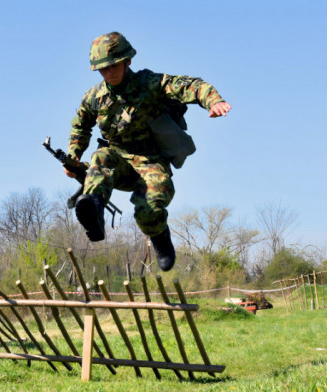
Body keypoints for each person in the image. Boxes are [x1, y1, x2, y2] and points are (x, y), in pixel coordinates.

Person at [65, 32, 231, 271]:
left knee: (148, 212)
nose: (108, 73)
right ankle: (95, 212)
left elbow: (190, 85)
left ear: (127, 61)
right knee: (100, 157)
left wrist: (213, 100)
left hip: (151, 160)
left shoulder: (149, 84)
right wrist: (74, 155)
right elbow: (80, 126)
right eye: (102, 70)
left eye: (113, 66)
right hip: (118, 158)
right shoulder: (94, 98)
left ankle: (160, 238)